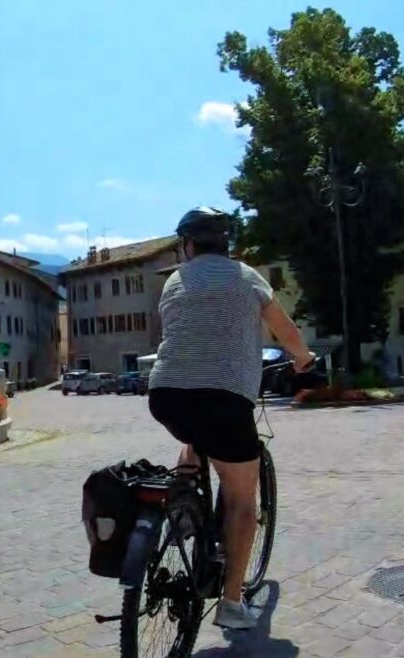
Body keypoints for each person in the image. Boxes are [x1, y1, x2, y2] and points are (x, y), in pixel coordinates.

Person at [148, 206, 315, 629]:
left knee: (196, 432)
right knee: (242, 501)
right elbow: (285, 330)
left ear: (187, 244)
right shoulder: (247, 277)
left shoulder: (174, 280)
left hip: (165, 394)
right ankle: (232, 602)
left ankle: (184, 497)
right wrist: (302, 358)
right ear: (226, 244)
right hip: (225, 398)